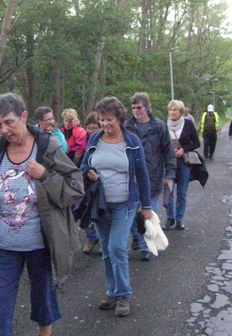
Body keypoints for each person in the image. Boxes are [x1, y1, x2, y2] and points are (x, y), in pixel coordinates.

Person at [0, 93, 84, 336]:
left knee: (43, 296)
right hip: (2, 246)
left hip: (40, 243)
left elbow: (75, 189)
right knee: (0, 306)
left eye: (9, 122)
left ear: (23, 117)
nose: (4, 130)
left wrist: (45, 175)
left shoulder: (46, 147)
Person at [80, 97, 152, 317]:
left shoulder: (131, 142)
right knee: (106, 251)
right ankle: (112, 292)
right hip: (100, 205)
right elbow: (83, 165)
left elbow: (142, 174)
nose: (105, 124)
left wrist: (147, 206)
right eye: (102, 120)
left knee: (117, 248)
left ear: (119, 119)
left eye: (109, 120)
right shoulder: (94, 139)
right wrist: (88, 172)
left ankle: (123, 295)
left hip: (125, 204)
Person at [124, 92, 176, 261]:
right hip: (131, 179)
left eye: (139, 107)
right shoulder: (127, 127)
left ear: (146, 108)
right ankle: (138, 238)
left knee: (148, 214)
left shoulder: (159, 127)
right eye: (133, 108)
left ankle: (145, 247)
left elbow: (169, 152)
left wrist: (170, 176)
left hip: (153, 178)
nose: (136, 111)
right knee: (131, 214)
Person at [165, 99, 201, 230]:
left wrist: (183, 149)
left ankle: (179, 219)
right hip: (168, 163)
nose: (172, 112)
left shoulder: (188, 124)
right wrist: (169, 150)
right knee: (168, 191)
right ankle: (170, 218)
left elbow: (197, 143)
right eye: (170, 110)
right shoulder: (164, 125)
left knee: (182, 192)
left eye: (174, 110)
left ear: (180, 112)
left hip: (184, 163)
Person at [81, 112, 101, 254]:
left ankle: (101, 241)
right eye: (89, 128)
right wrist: (87, 171)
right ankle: (91, 237)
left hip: (103, 184)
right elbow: (82, 164)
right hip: (88, 182)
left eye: (94, 128)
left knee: (101, 213)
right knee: (85, 211)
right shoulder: (85, 141)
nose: (91, 131)